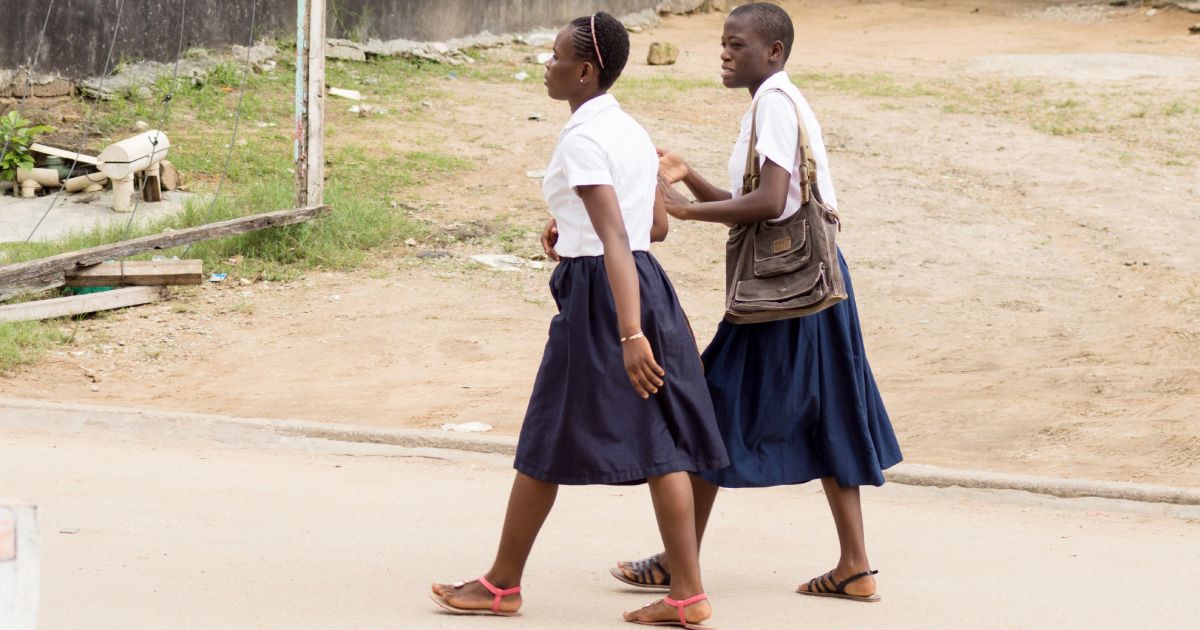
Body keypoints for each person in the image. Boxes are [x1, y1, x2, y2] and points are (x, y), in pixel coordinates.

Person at [430, 12, 729, 628]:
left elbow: (617, 235)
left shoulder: (584, 139)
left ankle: (501, 585)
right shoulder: (626, 128)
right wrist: (569, 229)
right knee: (662, 440)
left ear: (584, 70)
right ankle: (688, 595)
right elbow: (654, 227)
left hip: (605, 300)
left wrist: (628, 334)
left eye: (556, 56)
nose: (548, 64)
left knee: (547, 435)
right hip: (645, 286)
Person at [611, 3, 903, 603]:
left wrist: (686, 209)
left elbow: (771, 204)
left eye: (736, 44)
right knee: (830, 411)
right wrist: (690, 178)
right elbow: (761, 202)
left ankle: (677, 561)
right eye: (722, 42)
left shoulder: (773, 103)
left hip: (783, 295)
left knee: (712, 405)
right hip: (810, 285)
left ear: (772, 51)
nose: (724, 52)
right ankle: (855, 565)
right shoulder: (775, 102)